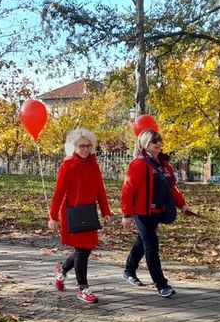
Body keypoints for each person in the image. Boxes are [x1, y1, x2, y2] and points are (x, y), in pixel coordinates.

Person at [120, 129, 193, 298]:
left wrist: (183, 205)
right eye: (154, 141)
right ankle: (161, 284)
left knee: (143, 241)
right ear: (145, 144)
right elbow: (128, 189)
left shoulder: (164, 165)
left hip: (158, 210)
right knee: (151, 245)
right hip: (141, 212)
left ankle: (129, 270)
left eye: (160, 140)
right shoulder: (139, 164)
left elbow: (172, 188)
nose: (158, 144)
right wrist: (127, 214)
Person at [49, 128, 112, 305]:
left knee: (85, 249)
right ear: (73, 147)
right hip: (72, 213)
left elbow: (100, 190)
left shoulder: (94, 165)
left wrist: (106, 211)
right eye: (81, 146)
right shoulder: (68, 165)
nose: (85, 149)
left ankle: (62, 269)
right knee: (82, 251)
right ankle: (83, 288)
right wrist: (53, 217)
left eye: (88, 146)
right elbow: (59, 193)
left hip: (89, 212)